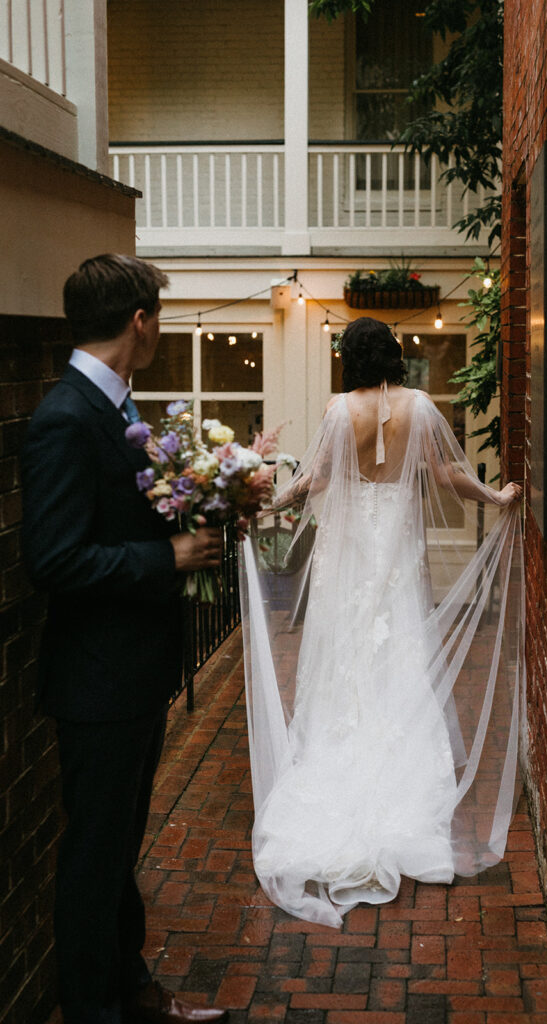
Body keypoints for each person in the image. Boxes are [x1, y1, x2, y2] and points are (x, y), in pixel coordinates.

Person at [239, 317, 524, 928]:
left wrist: (268, 500)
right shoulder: (420, 407)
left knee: (344, 658)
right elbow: (448, 475)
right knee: (401, 651)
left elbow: (315, 480)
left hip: (347, 556)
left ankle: (336, 771)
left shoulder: (339, 409)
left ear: (350, 359)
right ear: (393, 355)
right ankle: (406, 790)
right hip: (395, 553)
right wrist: (497, 498)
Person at [21, 254, 230, 1024]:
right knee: (94, 857)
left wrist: (196, 507)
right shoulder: (65, 417)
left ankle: (132, 990)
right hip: (97, 681)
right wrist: (165, 556)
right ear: (140, 322)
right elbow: (52, 557)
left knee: (118, 853)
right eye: (159, 318)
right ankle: (93, 1009)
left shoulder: (115, 408)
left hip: (134, 674)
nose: (158, 330)